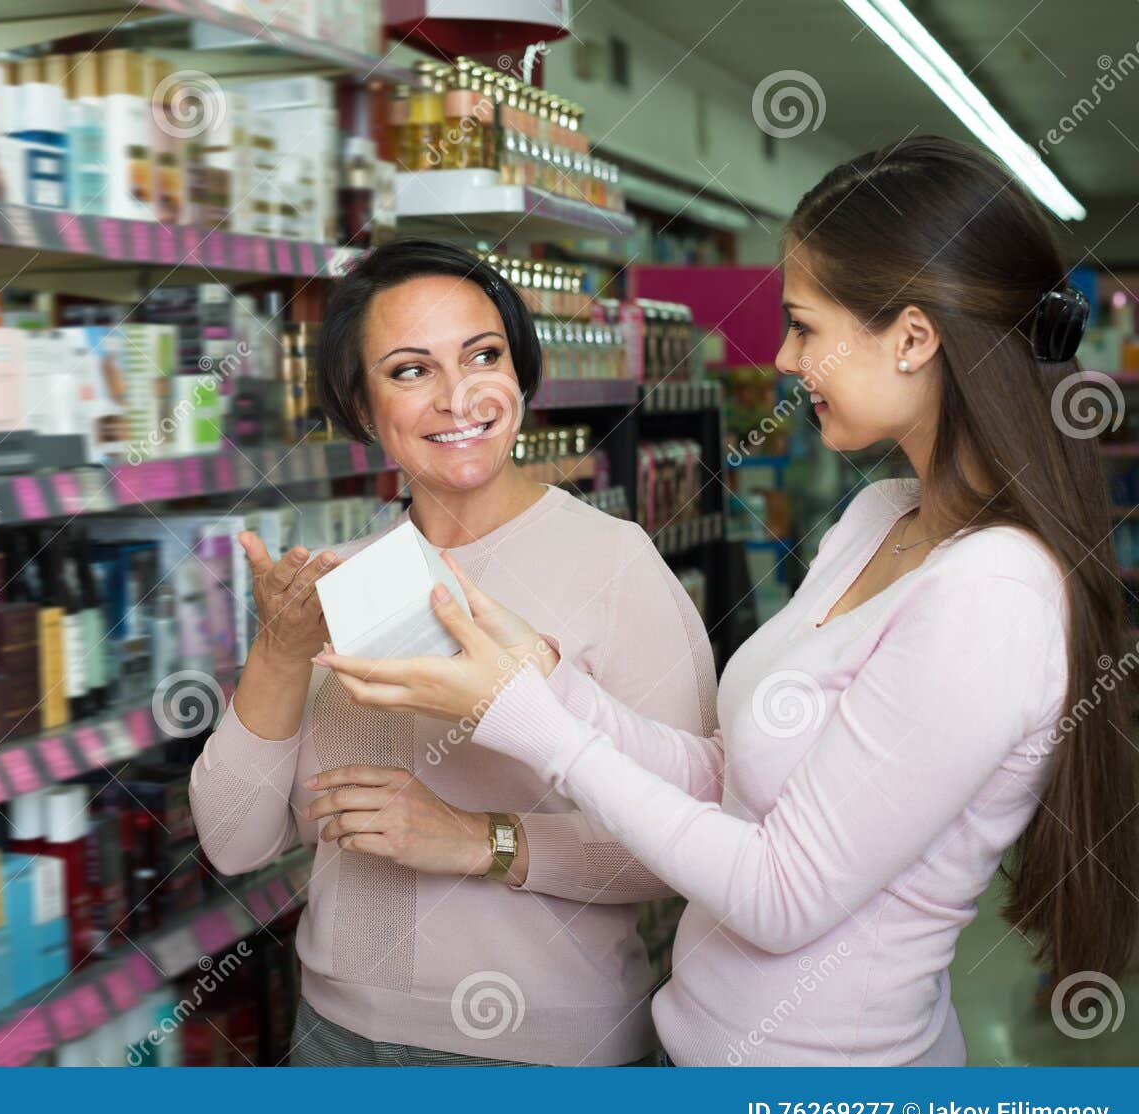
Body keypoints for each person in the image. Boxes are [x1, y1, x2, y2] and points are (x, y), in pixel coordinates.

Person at [314, 137, 1139, 1066]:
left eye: (804, 325)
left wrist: (528, 725)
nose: (783, 357)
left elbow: (782, 894)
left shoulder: (994, 595)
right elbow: (725, 775)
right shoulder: (880, 517)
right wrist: (544, 679)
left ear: (912, 338)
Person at [188, 238, 718, 1066]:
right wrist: (280, 653)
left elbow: (689, 844)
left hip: (542, 1056)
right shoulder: (347, 578)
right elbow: (234, 842)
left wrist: (478, 838)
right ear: (363, 408)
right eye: (410, 370)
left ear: (518, 373)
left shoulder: (614, 563)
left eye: (482, 354)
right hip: (335, 1041)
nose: (458, 394)